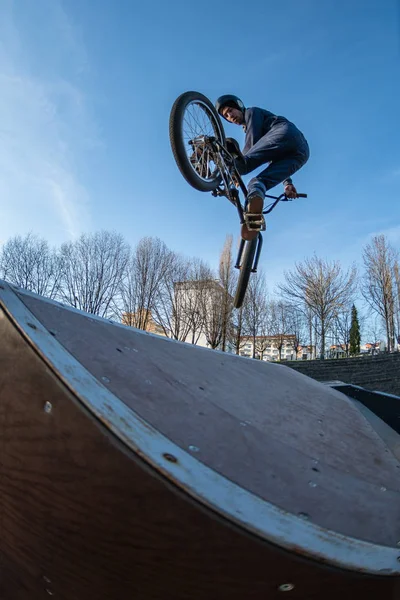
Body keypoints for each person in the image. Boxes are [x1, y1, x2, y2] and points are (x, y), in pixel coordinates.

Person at [215, 94, 310, 240]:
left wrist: (237, 167)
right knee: (258, 182)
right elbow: (272, 158)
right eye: (226, 116)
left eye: (230, 111)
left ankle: (219, 148)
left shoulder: (252, 112)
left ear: (238, 106)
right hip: (301, 152)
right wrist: (287, 183)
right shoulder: (265, 135)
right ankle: (255, 199)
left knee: (243, 165)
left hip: (284, 132)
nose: (230, 116)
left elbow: (251, 144)